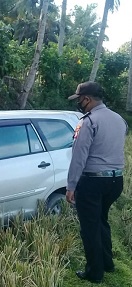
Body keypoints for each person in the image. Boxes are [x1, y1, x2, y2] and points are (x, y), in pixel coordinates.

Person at [66, 81, 127, 284]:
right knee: (101, 220)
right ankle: (107, 263)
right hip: (116, 181)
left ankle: (95, 273)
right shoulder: (119, 119)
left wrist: (71, 186)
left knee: (90, 227)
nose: (79, 104)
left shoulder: (89, 121)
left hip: (92, 182)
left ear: (87, 99)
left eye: (79, 100)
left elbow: (79, 157)